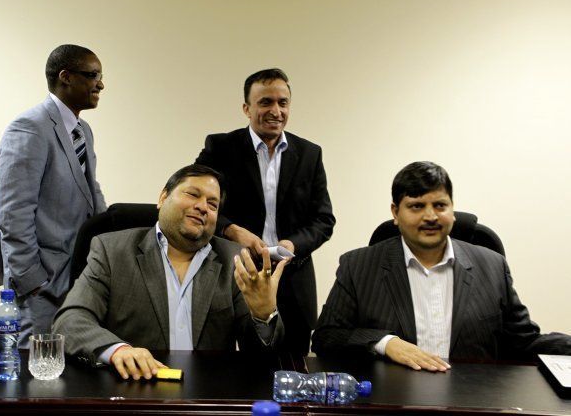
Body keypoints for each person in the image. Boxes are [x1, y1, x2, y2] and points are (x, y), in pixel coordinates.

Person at [312, 161, 571, 372]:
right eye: (416, 206)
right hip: (391, 405)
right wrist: (385, 343)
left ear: (452, 210)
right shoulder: (359, 266)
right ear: (395, 212)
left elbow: (523, 342)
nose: (430, 216)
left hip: (472, 406)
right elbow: (326, 338)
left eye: (439, 205)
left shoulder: (492, 265)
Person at [53, 164, 287, 380]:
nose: (202, 207)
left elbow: (261, 358)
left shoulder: (234, 259)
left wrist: (263, 314)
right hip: (135, 391)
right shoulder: (112, 250)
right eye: (193, 194)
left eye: (213, 204)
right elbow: (70, 321)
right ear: (163, 197)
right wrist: (118, 350)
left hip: (208, 398)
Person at [195, 68, 335, 354]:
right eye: (265, 102)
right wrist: (232, 230)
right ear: (247, 108)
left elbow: (323, 220)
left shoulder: (310, 153)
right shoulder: (221, 147)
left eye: (282, 103)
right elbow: (196, 202)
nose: (275, 111)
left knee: (294, 369)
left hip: (292, 278)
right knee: (237, 371)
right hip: (235, 274)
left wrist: (292, 244)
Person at [0, 44, 107, 347]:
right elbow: (13, 213)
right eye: (92, 75)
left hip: (74, 276)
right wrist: (32, 281)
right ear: (66, 77)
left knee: (65, 376)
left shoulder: (83, 130)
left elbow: (90, 193)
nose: (101, 84)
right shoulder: (29, 127)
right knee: (34, 380)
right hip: (40, 286)